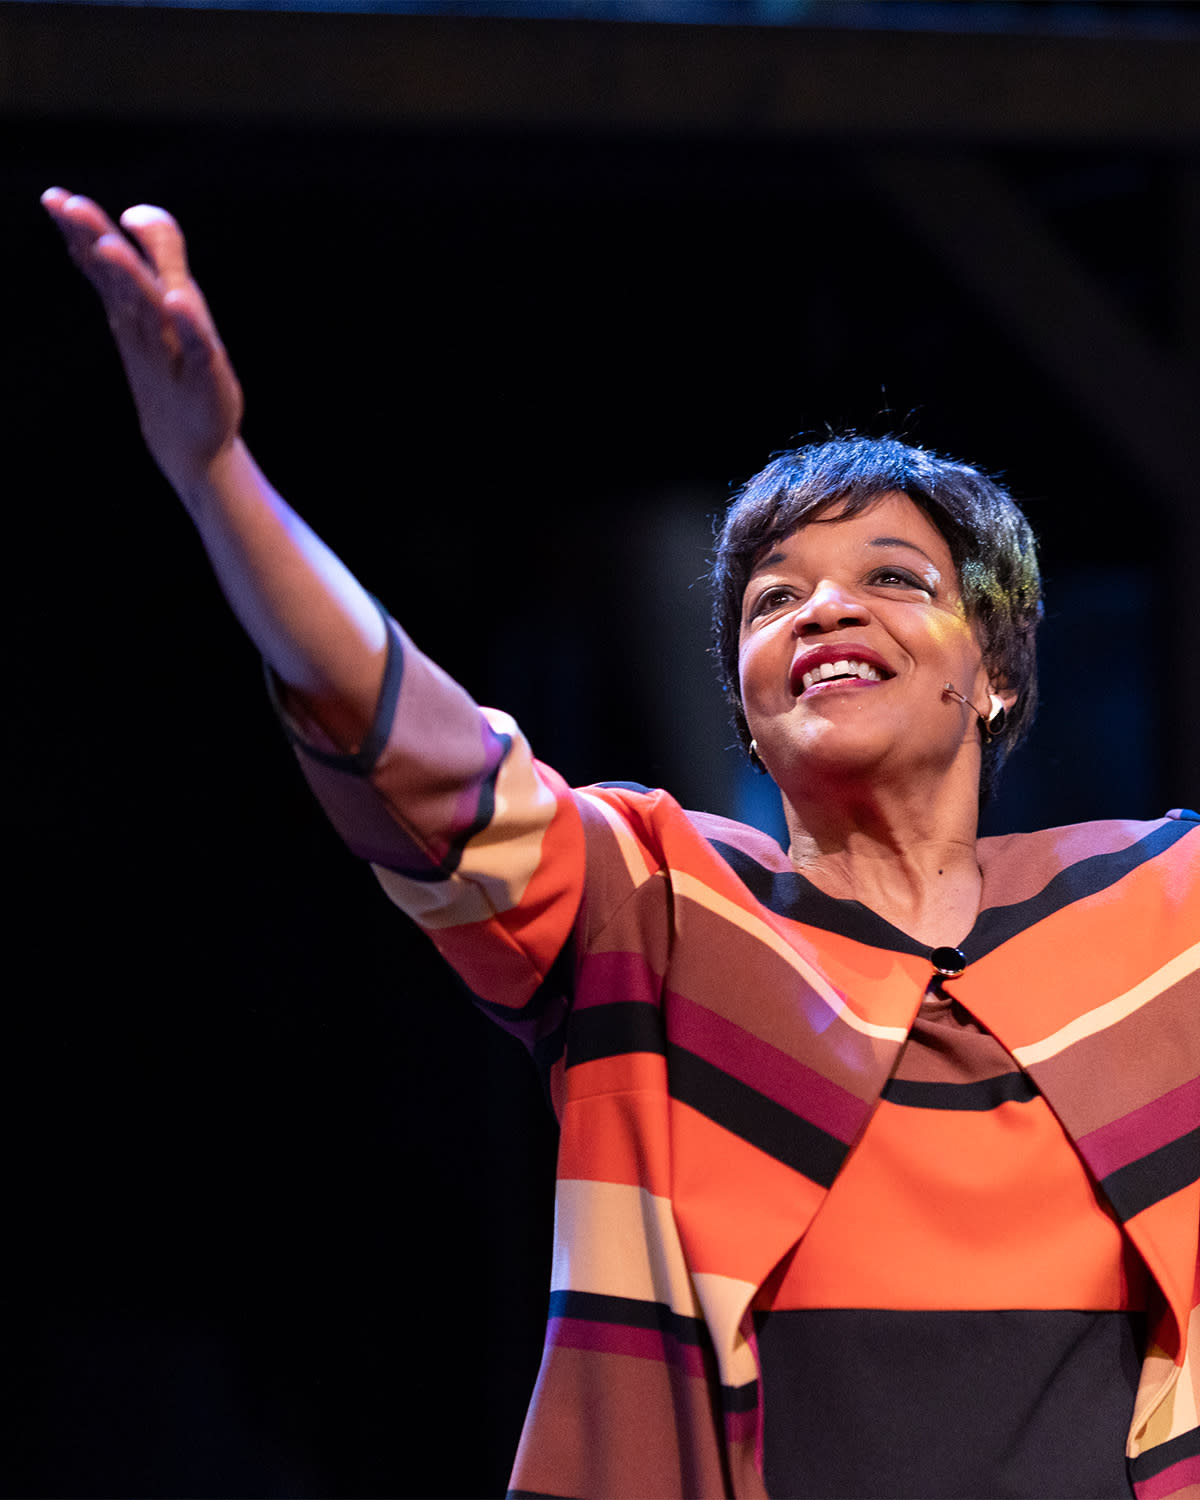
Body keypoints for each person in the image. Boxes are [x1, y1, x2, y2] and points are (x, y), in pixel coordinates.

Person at [43, 186, 1199, 1500]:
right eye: (776, 601)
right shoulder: (657, 913)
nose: (825, 607)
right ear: (753, 718)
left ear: (994, 674)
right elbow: (410, 745)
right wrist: (217, 479)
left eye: (894, 578)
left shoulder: (1163, 911)